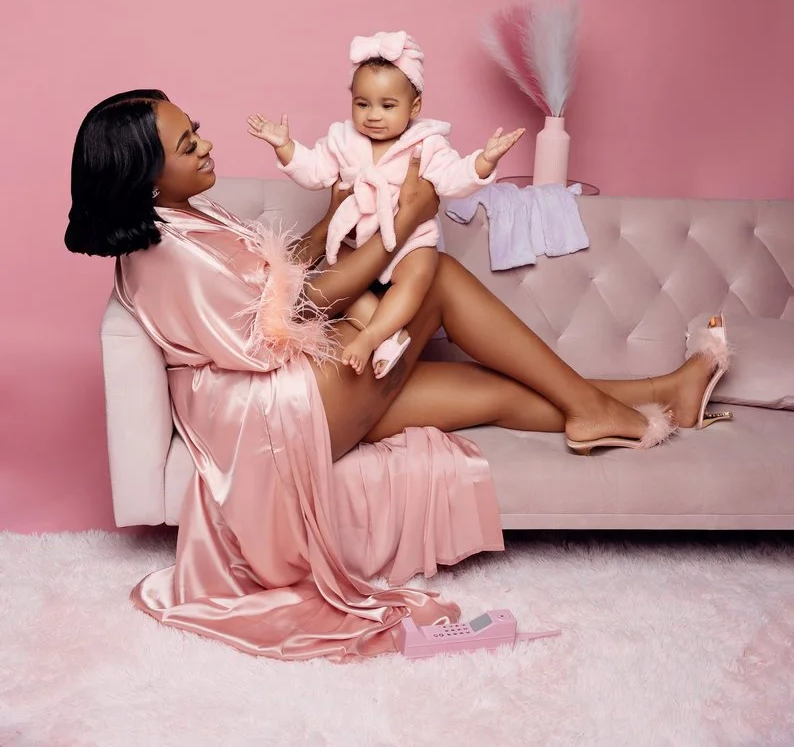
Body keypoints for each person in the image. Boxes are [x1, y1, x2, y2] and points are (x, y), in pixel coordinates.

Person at [65, 89, 729, 662]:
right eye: (189, 142)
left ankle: (652, 397)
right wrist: (406, 221)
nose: (206, 144)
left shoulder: (182, 215)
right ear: (149, 174)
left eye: (197, 129)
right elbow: (295, 309)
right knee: (432, 274)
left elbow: (279, 276)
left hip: (277, 392)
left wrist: (333, 214)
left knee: (491, 391)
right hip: (272, 418)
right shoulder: (164, 252)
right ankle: (606, 405)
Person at [247, 30, 524, 377]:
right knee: (342, 289)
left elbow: (453, 178)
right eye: (362, 104)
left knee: (419, 275)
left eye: (388, 105)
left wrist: (484, 161)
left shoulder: (427, 143)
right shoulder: (342, 138)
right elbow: (315, 172)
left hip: (410, 239)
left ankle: (372, 337)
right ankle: (387, 338)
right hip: (357, 238)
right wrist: (285, 147)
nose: (373, 115)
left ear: (415, 106)